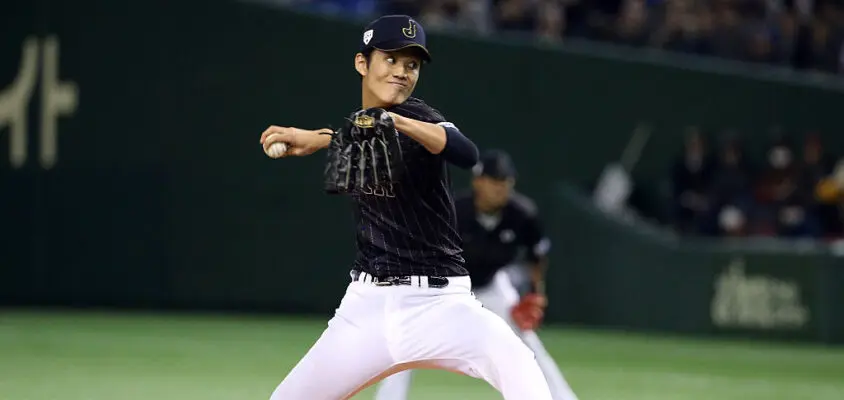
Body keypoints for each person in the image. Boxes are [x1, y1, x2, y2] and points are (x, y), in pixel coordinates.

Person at [259, 15, 553, 400]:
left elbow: (465, 152)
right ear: (362, 63)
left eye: (411, 65)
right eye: (391, 59)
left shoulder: (419, 116)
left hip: (441, 305)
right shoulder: (361, 126)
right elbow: (360, 141)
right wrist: (318, 138)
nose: (401, 72)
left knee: (517, 362)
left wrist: (393, 121)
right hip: (366, 310)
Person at [374, 149, 579, 400]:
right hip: (441, 287)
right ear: (478, 182)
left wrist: (537, 293)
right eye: (495, 181)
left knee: (527, 343)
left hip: (489, 285)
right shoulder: (452, 212)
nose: (501, 188)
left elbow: (536, 257)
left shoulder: (522, 214)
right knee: (405, 346)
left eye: (506, 181)